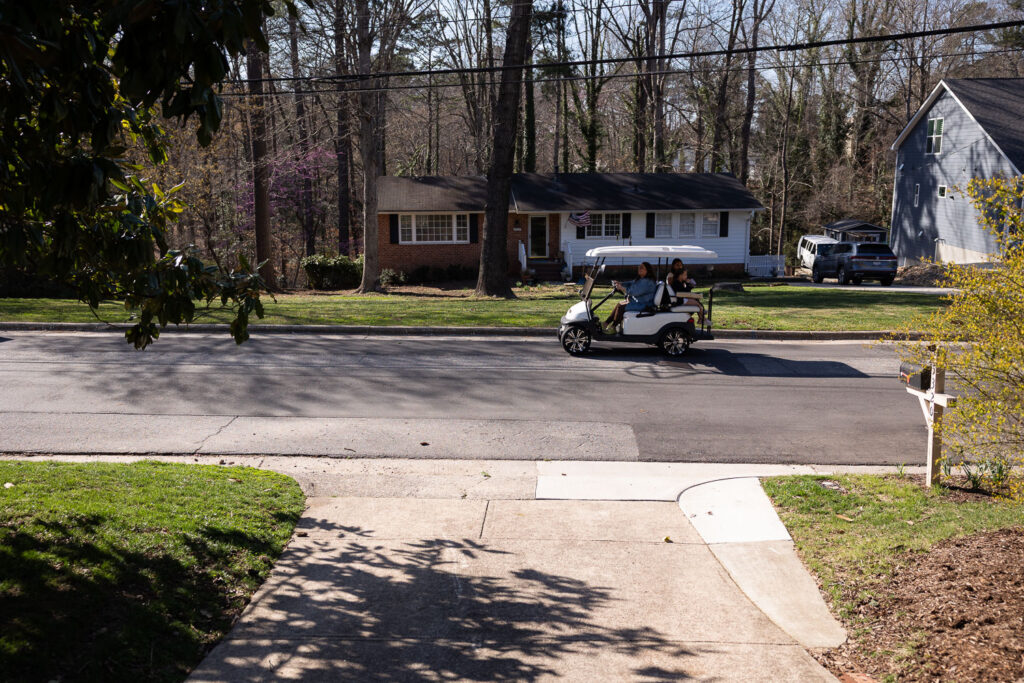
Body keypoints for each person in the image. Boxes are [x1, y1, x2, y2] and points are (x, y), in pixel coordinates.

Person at [604, 262, 656, 333]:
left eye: (642, 268)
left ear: (647, 271)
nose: (639, 269)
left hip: (644, 305)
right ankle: (605, 323)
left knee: (621, 307)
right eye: (639, 267)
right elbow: (630, 283)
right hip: (639, 302)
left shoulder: (647, 282)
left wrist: (621, 288)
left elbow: (634, 291)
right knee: (619, 304)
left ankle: (613, 327)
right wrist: (620, 283)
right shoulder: (641, 279)